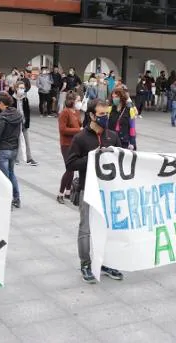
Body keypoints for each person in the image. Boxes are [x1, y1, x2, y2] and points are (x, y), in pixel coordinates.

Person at [66, 98, 124, 283]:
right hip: (87, 189)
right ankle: (85, 263)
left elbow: (122, 160)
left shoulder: (112, 136)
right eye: (101, 114)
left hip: (108, 191)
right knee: (86, 228)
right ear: (91, 115)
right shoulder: (81, 138)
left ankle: (106, 263)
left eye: (107, 113)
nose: (105, 117)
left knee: (108, 228)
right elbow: (71, 163)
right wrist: (92, 157)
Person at [0, 92, 23, 209]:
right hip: (14, 149)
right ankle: (16, 198)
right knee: (11, 173)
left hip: (3, 150)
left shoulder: (2, 117)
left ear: (2, 103)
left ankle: (7, 201)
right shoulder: (17, 114)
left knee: (4, 176)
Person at [57, 91, 82, 204]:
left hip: (75, 143)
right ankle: (60, 193)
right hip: (66, 144)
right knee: (69, 169)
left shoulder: (76, 112)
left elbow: (79, 125)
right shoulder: (64, 113)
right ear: (71, 101)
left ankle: (68, 192)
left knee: (72, 169)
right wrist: (78, 130)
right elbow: (63, 130)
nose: (79, 102)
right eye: (78, 100)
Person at [13, 81, 39, 166]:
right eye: (20, 88)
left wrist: (27, 123)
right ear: (16, 88)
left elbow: (27, 112)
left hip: (23, 123)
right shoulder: (11, 98)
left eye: (23, 88)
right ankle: (15, 158)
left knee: (27, 141)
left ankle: (29, 158)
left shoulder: (25, 99)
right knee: (15, 141)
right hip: (15, 124)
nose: (22, 90)